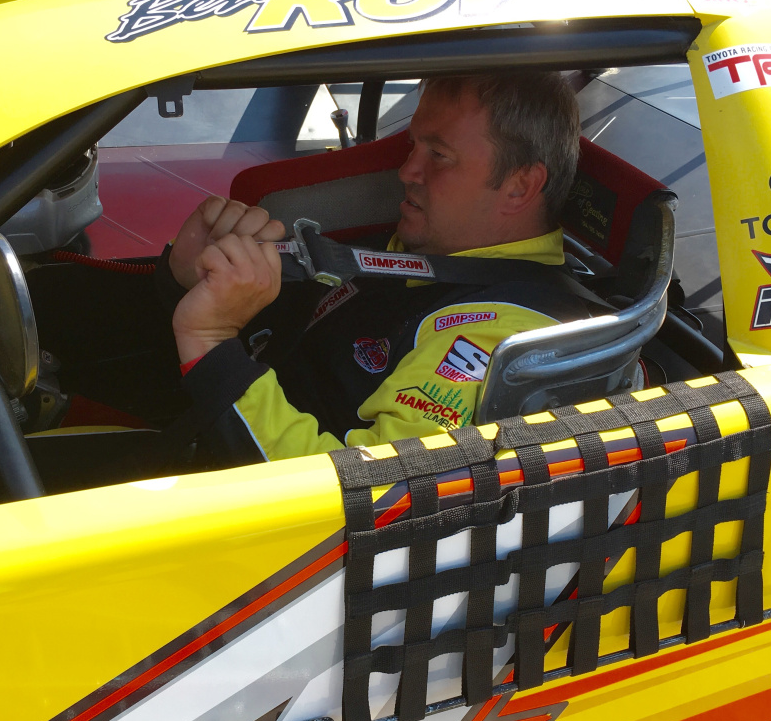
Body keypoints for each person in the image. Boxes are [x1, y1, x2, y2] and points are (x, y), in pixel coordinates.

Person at [156, 71, 585, 464]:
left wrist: (210, 340)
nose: (406, 170)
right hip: (189, 439)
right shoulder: (418, 248)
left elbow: (369, 489)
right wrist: (192, 278)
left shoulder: (497, 332)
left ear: (519, 187)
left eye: (439, 154)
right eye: (411, 144)